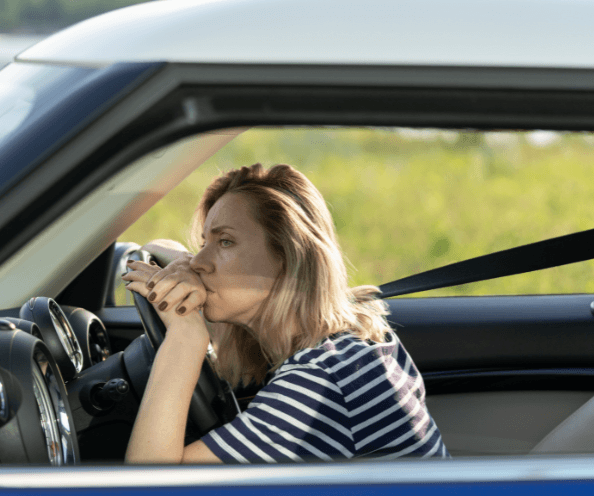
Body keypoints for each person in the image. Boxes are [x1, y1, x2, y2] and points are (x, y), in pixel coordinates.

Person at [123, 163, 448, 464]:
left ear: (286, 258)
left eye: (225, 242)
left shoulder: (317, 387)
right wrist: (182, 265)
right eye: (203, 242)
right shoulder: (352, 339)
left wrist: (184, 337)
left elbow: (148, 488)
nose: (199, 261)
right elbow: (157, 245)